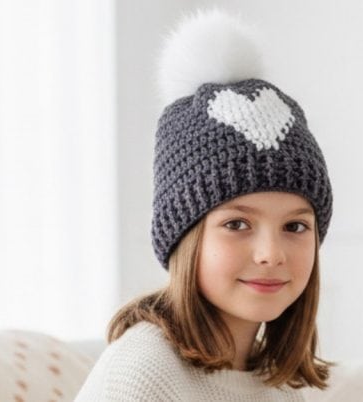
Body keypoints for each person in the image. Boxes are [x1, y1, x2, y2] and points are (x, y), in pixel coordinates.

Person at [75, 8, 335, 401]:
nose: (271, 254)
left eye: (295, 227)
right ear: (185, 235)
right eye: (237, 224)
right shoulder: (144, 371)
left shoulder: (274, 383)